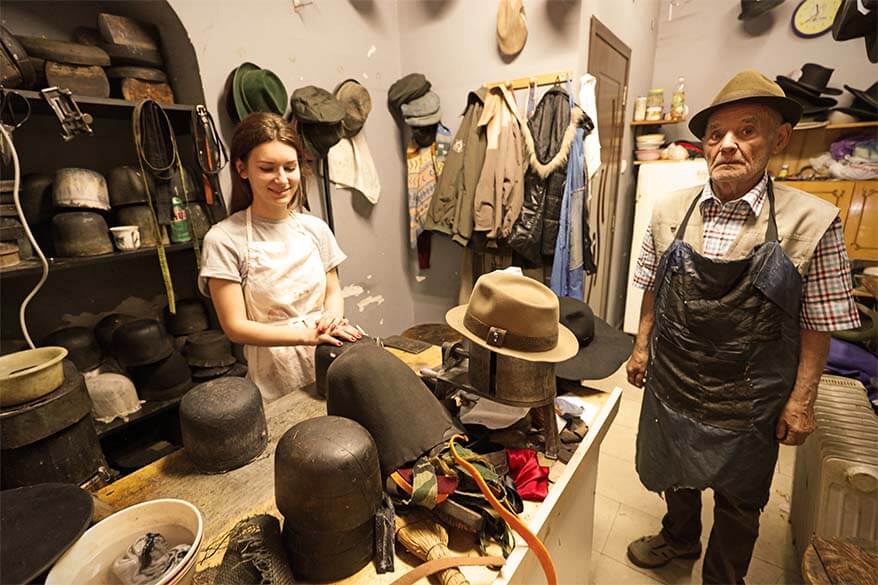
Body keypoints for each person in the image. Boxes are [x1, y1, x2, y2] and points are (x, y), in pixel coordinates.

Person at [624, 70, 859, 584]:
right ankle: (678, 539)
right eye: (714, 135)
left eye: (746, 131)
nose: (727, 145)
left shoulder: (812, 222)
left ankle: (723, 577)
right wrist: (641, 347)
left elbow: (818, 322)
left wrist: (802, 400)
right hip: (676, 376)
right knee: (675, 469)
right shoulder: (668, 210)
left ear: (778, 139)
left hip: (752, 394)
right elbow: (649, 285)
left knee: (740, 496)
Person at [199, 112, 361, 402]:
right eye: (267, 168)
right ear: (242, 169)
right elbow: (235, 327)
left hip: (329, 356)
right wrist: (304, 336)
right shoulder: (223, 239)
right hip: (276, 374)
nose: (282, 179)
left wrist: (333, 316)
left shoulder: (315, 228)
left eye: (290, 167)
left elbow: (333, 289)